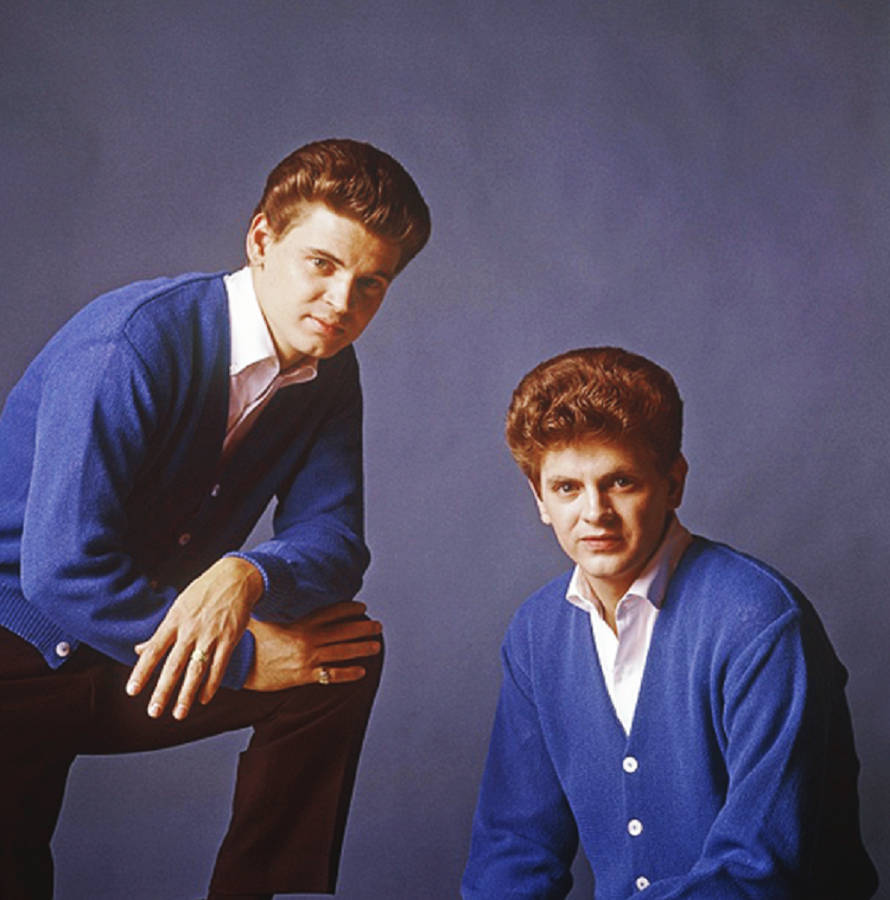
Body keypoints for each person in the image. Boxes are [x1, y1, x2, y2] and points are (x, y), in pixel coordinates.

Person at [0, 138, 430, 899]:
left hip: (132, 653)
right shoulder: (128, 343)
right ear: (261, 240)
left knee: (341, 657)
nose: (342, 305)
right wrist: (239, 660)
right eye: (323, 266)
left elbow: (334, 538)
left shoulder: (327, 369)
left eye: (372, 284)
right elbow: (59, 570)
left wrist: (247, 573)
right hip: (19, 654)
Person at [462, 347, 878, 899]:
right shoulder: (536, 632)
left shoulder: (759, 621)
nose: (595, 513)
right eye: (567, 488)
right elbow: (514, 847)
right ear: (539, 497)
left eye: (621, 482)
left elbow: (760, 871)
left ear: (673, 483)